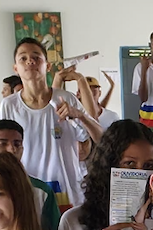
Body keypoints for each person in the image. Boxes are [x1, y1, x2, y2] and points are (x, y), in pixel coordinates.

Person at [7, 37, 95, 207]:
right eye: (23, 58)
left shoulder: (66, 99)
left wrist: (78, 118)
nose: (30, 61)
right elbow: (3, 148)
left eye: (36, 57)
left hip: (67, 189)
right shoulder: (10, 105)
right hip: (29, 189)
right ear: (15, 68)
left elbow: (86, 138)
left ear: (47, 66)